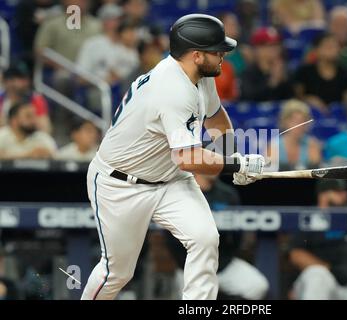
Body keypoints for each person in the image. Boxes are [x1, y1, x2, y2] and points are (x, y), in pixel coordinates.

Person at [81, 14, 265, 300]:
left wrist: (232, 155)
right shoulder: (172, 89)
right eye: (216, 51)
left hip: (169, 180)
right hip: (121, 184)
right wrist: (233, 165)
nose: (223, 56)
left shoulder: (199, 76)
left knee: (204, 239)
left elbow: (216, 119)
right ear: (195, 55)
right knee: (116, 273)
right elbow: (187, 158)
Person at [166, 173, 269, 300]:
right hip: (190, 266)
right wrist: (185, 263)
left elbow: (237, 236)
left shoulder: (227, 194)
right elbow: (170, 236)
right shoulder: (181, 193)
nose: (214, 168)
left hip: (222, 264)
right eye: (209, 164)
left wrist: (223, 259)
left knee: (257, 286)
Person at [292, 32, 347, 111]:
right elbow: (296, 98)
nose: (333, 50)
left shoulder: (346, 73)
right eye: (328, 46)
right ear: (316, 50)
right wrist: (307, 100)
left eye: (335, 46)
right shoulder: (304, 72)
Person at [240, 27, 292, 101]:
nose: (274, 49)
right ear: (258, 49)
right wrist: (273, 82)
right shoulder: (249, 73)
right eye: (269, 45)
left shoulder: (284, 70)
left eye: (277, 45)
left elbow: (291, 99)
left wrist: (284, 80)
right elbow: (249, 98)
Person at [267, 99, 321, 170]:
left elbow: (315, 171)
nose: (299, 126)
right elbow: (270, 172)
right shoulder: (274, 145)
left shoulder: (312, 144)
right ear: (285, 121)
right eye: (295, 121)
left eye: (303, 122)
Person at [0, 64, 51, 133]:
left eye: (24, 80)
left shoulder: (35, 99)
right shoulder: (1, 99)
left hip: (28, 136)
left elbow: (45, 128)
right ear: (5, 81)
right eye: (12, 79)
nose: (24, 82)